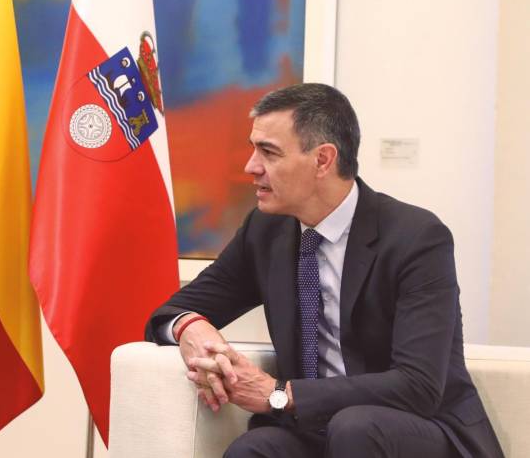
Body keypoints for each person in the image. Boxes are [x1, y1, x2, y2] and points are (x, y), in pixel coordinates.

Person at [145, 84, 503, 457]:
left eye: (268, 152)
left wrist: (281, 395)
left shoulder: (416, 238)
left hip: (422, 431)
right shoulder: (265, 231)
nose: (250, 166)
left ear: (323, 160)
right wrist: (193, 328)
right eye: (254, 148)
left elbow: (419, 386)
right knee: (253, 450)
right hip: (318, 428)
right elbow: (168, 313)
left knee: (356, 427)